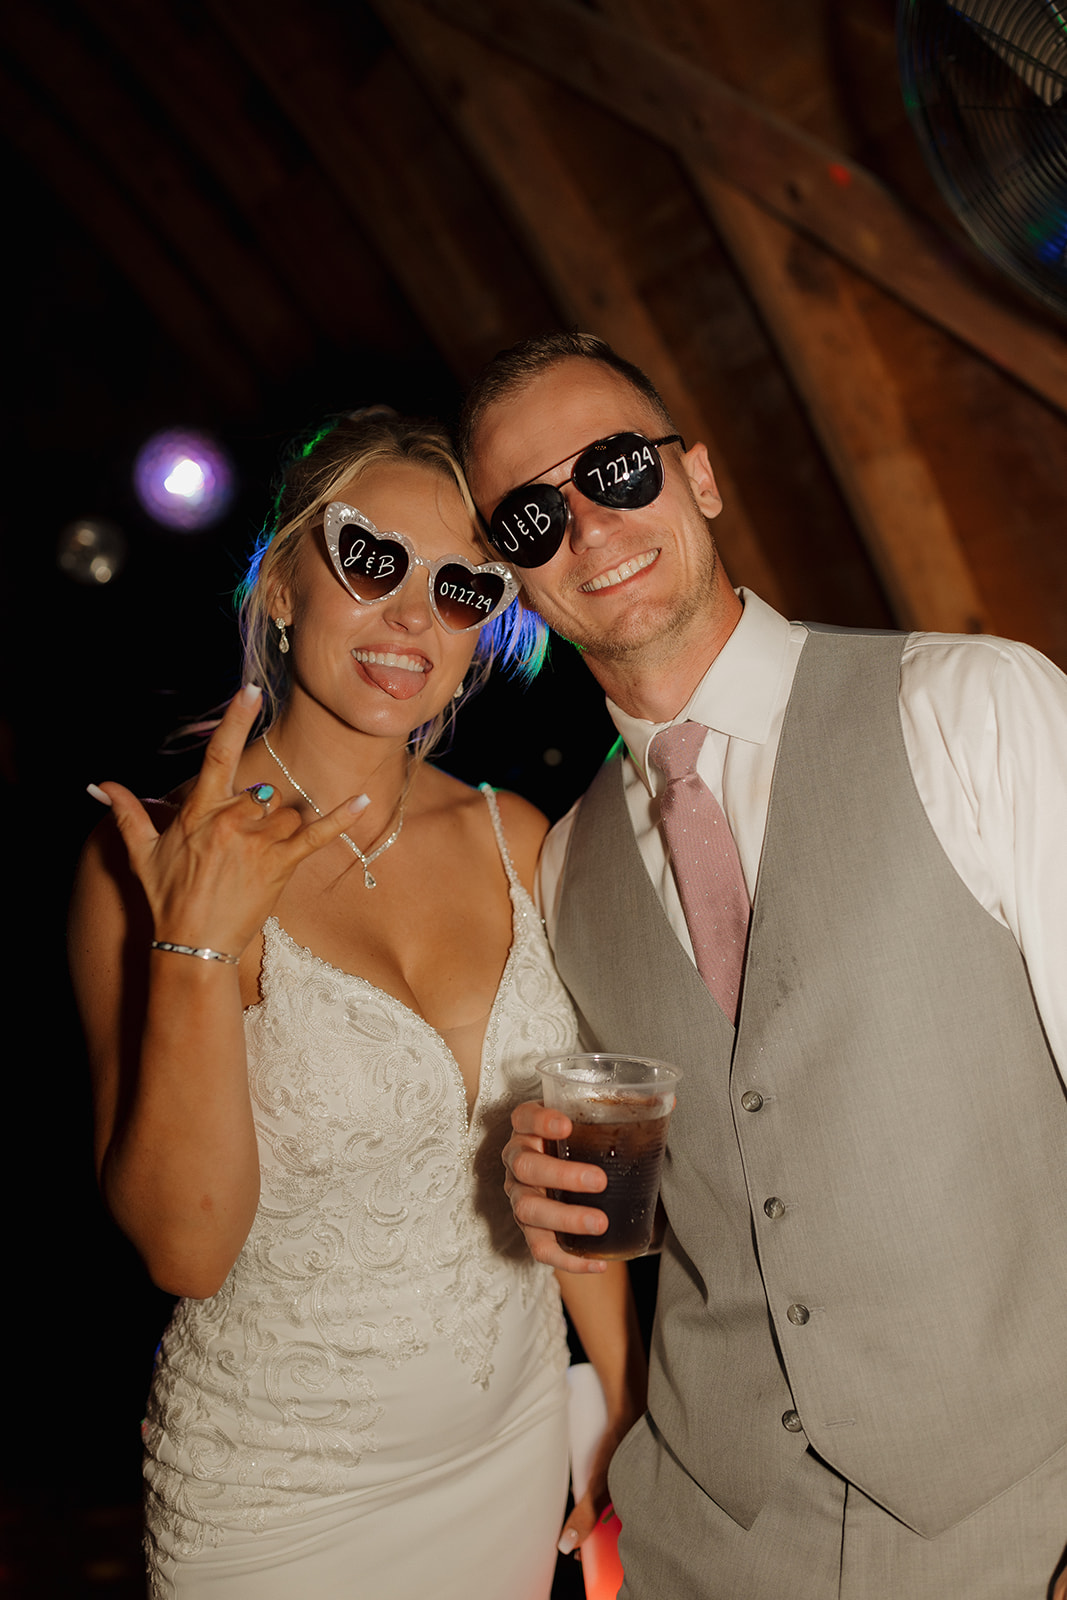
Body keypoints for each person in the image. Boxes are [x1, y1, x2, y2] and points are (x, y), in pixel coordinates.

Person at [457, 333, 1067, 1600]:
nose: (585, 524)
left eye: (615, 468)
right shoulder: (563, 866)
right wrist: (538, 1189)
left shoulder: (969, 705)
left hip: (1015, 1524)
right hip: (705, 1534)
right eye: (527, 513)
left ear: (701, 478)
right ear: (512, 576)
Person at [68, 409, 645, 1600]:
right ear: (282, 585)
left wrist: (631, 1405)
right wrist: (196, 941)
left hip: (513, 1449)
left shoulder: (514, 836)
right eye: (370, 560)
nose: (410, 617)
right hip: (281, 1503)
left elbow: (568, 1169)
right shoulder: (154, 860)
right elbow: (186, 1246)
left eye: (460, 588)